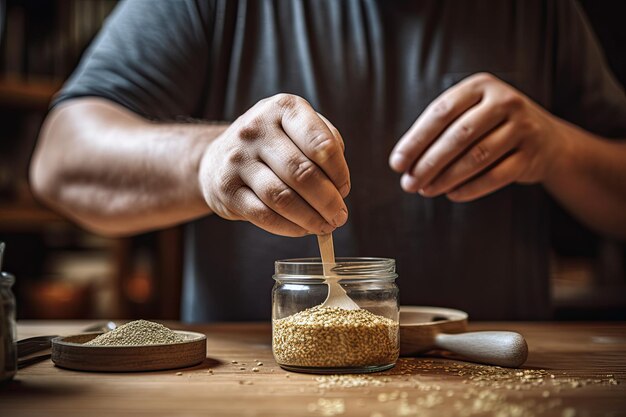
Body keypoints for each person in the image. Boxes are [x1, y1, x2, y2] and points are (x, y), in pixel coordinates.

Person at [30, 0, 626, 321]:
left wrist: (560, 148)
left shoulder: (544, 10)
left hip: (505, 384)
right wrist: (206, 161)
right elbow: (60, 161)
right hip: (260, 392)